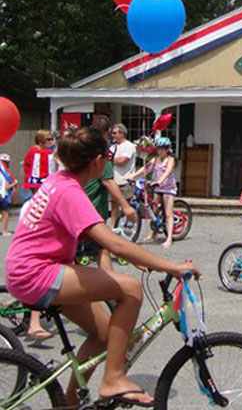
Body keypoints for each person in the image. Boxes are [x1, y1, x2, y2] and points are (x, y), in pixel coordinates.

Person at [5, 127, 199, 408]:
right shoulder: (70, 191)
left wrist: (136, 257)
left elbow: (87, 235)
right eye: (107, 157)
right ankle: (114, 378)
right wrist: (171, 266)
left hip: (29, 270)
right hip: (37, 273)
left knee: (103, 333)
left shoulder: (61, 180)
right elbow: (115, 244)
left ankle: (71, 404)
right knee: (131, 290)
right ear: (97, 161)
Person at [83, 115, 136, 269]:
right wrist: (126, 206)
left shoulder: (84, 144)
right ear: (107, 131)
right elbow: (107, 180)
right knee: (103, 248)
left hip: (79, 198)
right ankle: (107, 287)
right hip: (91, 203)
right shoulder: (101, 148)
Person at [127, 137, 177, 248]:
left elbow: (167, 172)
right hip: (157, 188)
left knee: (168, 214)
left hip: (168, 188)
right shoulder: (155, 159)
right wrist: (133, 176)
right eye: (158, 149)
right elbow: (146, 168)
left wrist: (159, 180)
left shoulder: (170, 159)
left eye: (163, 149)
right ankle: (153, 234)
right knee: (154, 212)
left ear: (168, 149)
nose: (160, 151)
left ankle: (169, 238)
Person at [109, 123, 137, 227]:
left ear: (122, 134)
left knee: (126, 205)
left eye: (115, 133)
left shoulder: (129, 146)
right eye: (112, 133)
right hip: (114, 181)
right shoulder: (113, 147)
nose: (113, 135)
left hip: (125, 181)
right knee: (114, 205)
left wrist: (110, 160)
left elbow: (122, 161)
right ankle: (112, 227)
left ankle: (131, 225)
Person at [22, 129, 55, 202]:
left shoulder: (47, 152)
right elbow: (35, 172)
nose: (51, 141)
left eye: (52, 139)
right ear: (40, 141)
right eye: (48, 139)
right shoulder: (36, 153)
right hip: (36, 185)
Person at [0, 153, 17, 236]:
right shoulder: (4, 173)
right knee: (5, 212)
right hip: (3, 195)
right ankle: (4, 231)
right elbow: (6, 186)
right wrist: (15, 183)